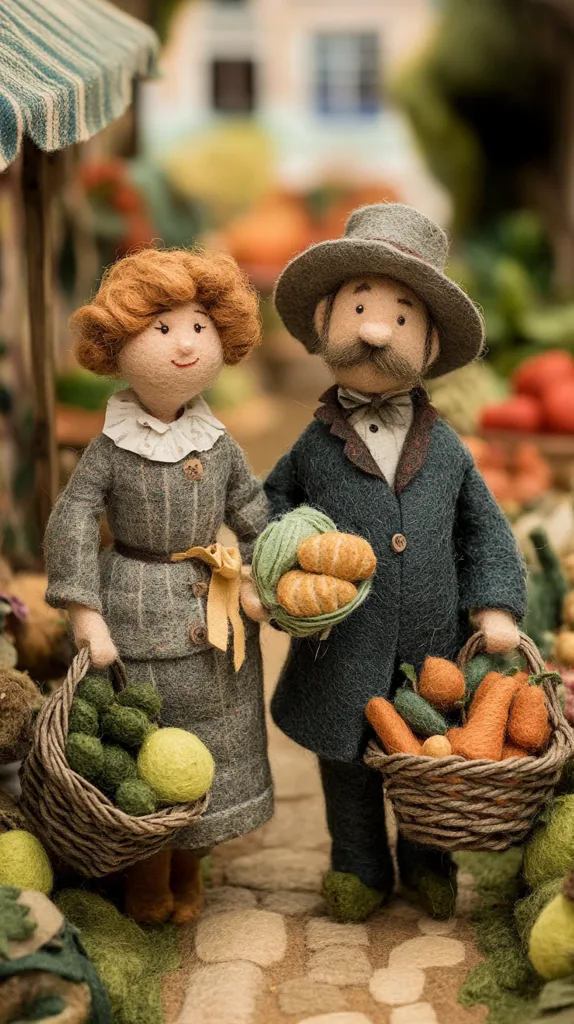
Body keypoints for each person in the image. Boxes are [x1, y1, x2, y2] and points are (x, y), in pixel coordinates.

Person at [255, 203, 527, 922]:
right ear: (325, 324)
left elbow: (485, 528)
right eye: (361, 309)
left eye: (401, 316)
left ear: (430, 342)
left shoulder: (446, 449)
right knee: (346, 765)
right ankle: (358, 863)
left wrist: (494, 604)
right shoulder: (314, 445)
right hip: (341, 647)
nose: (377, 329)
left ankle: (427, 859)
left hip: (428, 652)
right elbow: (270, 501)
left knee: (428, 760)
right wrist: (283, 559)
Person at [44, 248, 273, 925]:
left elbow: (254, 513)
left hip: (217, 620)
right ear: (120, 343)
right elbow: (73, 519)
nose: (184, 344)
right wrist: (84, 612)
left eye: (199, 326)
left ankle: (190, 868)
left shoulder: (220, 443)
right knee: (145, 754)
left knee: (214, 750)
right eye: (163, 327)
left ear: (223, 341)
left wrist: (262, 575)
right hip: (132, 610)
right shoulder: (111, 448)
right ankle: (146, 878)